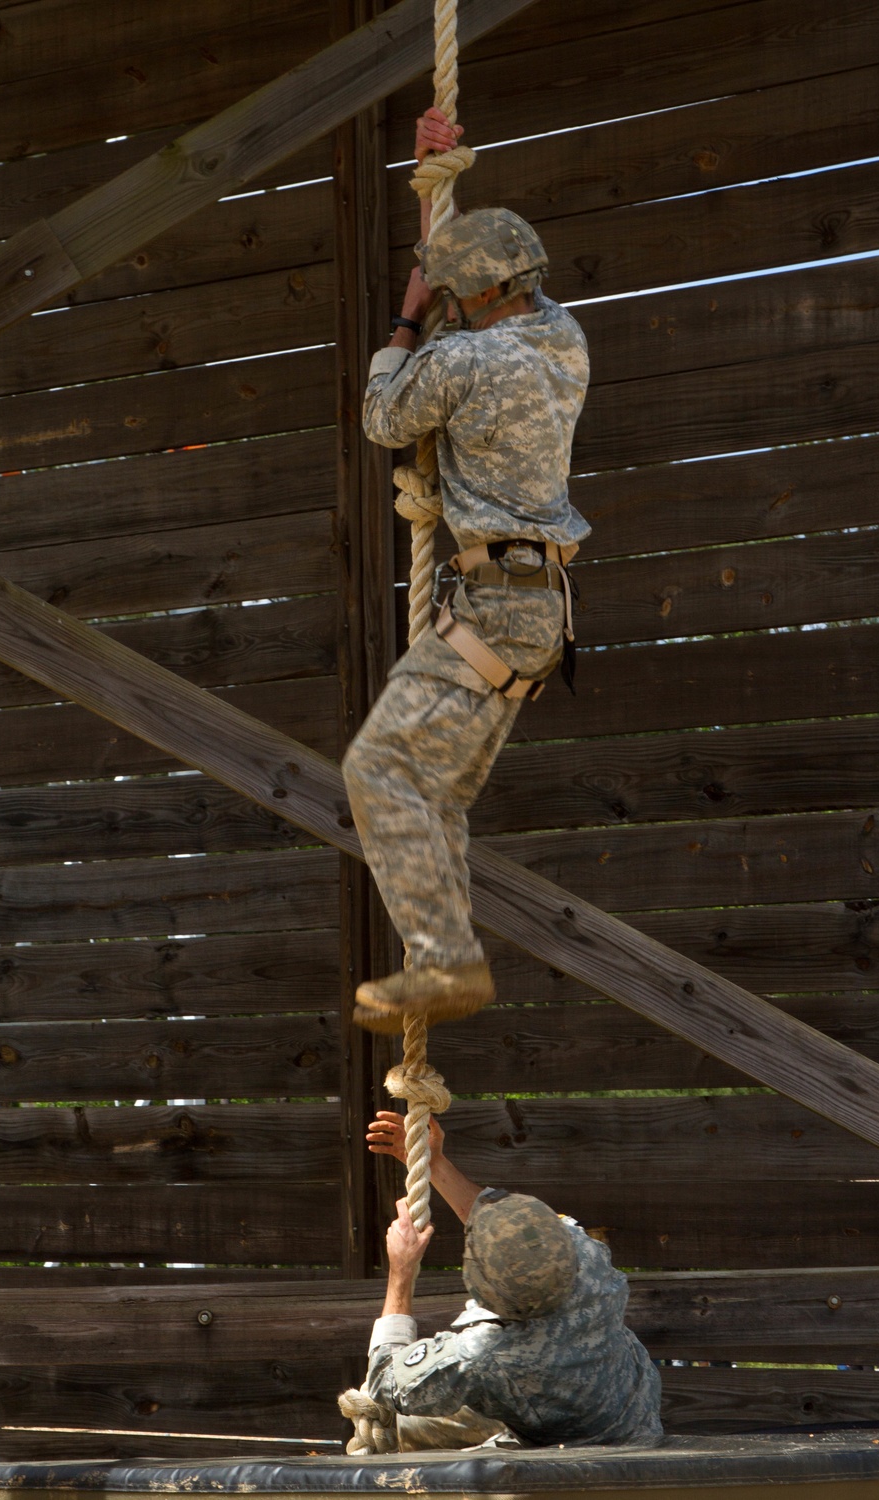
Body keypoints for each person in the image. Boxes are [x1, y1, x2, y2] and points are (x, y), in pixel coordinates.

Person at [343, 106, 591, 1036]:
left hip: (492, 610)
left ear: (468, 304)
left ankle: (447, 961)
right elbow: (476, 285)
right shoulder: (563, 343)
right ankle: (440, 956)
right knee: (432, 789)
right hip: (533, 608)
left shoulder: (458, 363)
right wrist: (438, 194)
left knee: (377, 771)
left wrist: (407, 320)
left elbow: (385, 414)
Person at [359, 1109, 663, 1452]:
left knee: (407, 1425)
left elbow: (386, 1382)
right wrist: (434, 1163)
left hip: (575, 1453)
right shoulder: (586, 1256)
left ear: (481, 1286)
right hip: (632, 1420)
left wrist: (401, 1272)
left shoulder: (486, 1354)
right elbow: (511, 1223)